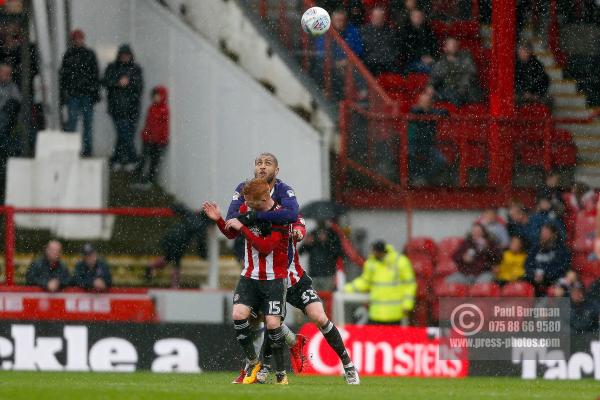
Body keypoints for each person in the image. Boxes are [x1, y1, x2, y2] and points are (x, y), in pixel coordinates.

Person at [204, 179, 296, 385]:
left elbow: (266, 247)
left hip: (274, 278)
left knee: (273, 324)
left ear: (263, 198)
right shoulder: (247, 207)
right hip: (249, 276)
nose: (246, 206)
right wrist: (219, 219)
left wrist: (243, 228)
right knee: (238, 314)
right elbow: (231, 232)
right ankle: (253, 363)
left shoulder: (279, 216)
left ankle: (281, 374)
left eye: (250, 202)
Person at [345, 241, 416, 325]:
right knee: (376, 337)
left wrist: (407, 305)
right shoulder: (371, 263)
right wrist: (347, 288)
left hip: (395, 314)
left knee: (392, 337)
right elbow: (364, 282)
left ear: (381, 251)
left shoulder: (400, 262)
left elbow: (410, 285)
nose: (374, 254)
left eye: (375, 252)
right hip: (376, 314)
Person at [146, 202, 210, 288]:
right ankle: (174, 286)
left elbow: (179, 208)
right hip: (179, 243)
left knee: (167, 258)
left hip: (170, 236)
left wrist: (173, 207)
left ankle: (151, 266)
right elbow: (201, 242)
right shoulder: (201, 225)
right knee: (176, 264)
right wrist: (204, 255)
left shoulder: (191, 214)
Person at [59, 29, 100, 157]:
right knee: (73, 123)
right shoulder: (70, 55)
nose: (79, 41)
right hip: (75, 94)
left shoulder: (84, 54)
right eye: (77, 39)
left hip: (84, 94)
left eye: (80, 38)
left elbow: (95, 75)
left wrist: (94, 93)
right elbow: (64, 76)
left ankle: (86, 151)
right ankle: (73, 150)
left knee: (85, 124)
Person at [103, 44, 143, 171]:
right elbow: (105, 82)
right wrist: (118, 82)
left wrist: (129, 82)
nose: (125, 57)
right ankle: (134, 159)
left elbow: (139, 86)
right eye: (123, 55)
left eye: (127, 55)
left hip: (132, 109)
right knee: (125, 135)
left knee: (124, 136)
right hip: (117, 109)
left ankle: (117, 160)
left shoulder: (136, 69)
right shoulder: (112, 67)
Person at [314, 9, 363, 100]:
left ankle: (360, 93)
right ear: (332, 20)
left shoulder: (352, 31)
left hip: (348, 63)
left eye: (343, 21)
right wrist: (335, 62)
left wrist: (348, 60)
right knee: (323, 69)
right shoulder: (324, 31)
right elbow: (320, 51)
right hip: (329, 63)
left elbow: (359, 48)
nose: (341, 23)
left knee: (356, 68)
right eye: (338, 20)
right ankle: (328, 93)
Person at [408, 88, 448, 186]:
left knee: (441, 161)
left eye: (427, 96)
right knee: (409, 155)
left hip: (429, 145)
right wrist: (428, 110)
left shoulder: (434, 111)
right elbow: (417, 111)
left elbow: (445, 112)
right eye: (424, 95)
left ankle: (425, 179)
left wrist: (433, 100)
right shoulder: (415, 110)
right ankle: (415, 178)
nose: (424, 98)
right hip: (414, 144)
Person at [132, 85, 169, 189]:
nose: (156, 98)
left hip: (157, 141)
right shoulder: (152, 108)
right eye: (154, 96)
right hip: (148, 139)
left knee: (154, 161)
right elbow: (148, 123)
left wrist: (162, 139)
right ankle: (141, 178)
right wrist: (145, 134)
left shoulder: (163, 110)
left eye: (158, 95)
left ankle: (150, 180)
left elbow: (163, 126)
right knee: (144, 159)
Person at [430, 37, 483, 106]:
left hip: (466, 92)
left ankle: (452, 97)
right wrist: (431, 86)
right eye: (451, 44)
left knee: (457, 95)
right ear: (445, 48)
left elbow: (470, 75)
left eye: (455, 44)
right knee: (434, 94)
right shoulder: (441, 62)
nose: (454, 46)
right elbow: (434, 78)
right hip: (449, 91)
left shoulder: (466, 57)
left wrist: (460, 90)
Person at [297, 220, 344, 291]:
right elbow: (301, 252)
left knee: (327, 298)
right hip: (314, 274)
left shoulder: (332, 234)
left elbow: (339, 253)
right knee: (314, 299)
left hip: (328, 275)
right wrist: (306, 243)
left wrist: (327, 242)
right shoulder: (313, 234)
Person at [525, 224, 571, 296]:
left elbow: (561, 268)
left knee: (558, 291)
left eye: (546, 233)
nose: (543, 236)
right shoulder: (535, 248)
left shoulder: (562, 250)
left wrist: (545, 275)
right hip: (534, 280)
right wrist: (534, 274)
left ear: (554, 235)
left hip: (553, 281)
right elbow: (527, 265)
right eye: (542, 233)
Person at [0, 63, 21, 204]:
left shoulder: (13, 88)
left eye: (8, 73)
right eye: (3, 73)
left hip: (7, 126)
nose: (5, 76)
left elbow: (16, 103)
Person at [360, 7, 399, 75]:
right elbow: (362, 50)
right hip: (370, 64)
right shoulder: (363, 31)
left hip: (387, 64)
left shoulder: (391, 32)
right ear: (371, 17)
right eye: (376, 17)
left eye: (380, 17)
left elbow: (394, 50)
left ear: (384, 18)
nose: (377, 19)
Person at [399, 9, 439, 74]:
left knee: (441, 67)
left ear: (423, 17)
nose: (418, 18)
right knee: (434, 70)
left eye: (420, 16)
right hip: (411, 61)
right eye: (415, 16)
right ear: (411, 17)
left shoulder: (428, 30)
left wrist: (432, 57)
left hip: (428, 59)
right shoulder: (405, 31)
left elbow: (434, 45)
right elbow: (405, 50)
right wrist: (421, 57)